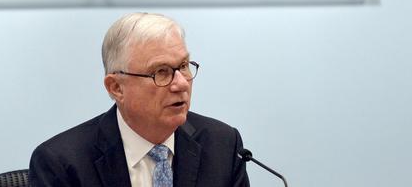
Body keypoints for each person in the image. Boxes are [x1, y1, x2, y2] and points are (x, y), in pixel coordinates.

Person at [29, 13, 249, 187]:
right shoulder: (62, 164)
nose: (181, 83)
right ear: (116, 87)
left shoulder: (223, 146)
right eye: (161, 72)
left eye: (183, 66)